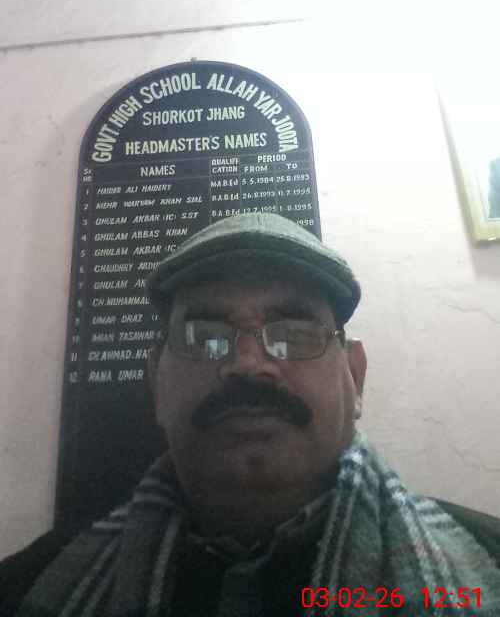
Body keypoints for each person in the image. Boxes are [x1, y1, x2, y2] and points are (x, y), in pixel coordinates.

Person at [2, 212, 500, 616]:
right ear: (156, 384)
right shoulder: (23, 589)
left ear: (355, 376)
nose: (247, 365)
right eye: (204, 337)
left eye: (294, 334)